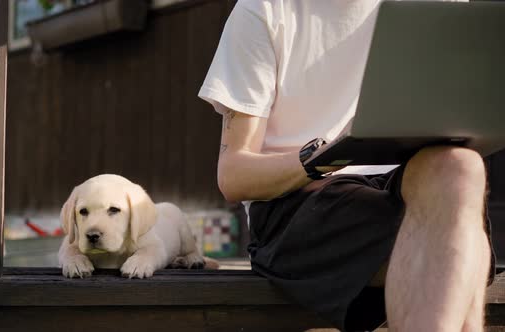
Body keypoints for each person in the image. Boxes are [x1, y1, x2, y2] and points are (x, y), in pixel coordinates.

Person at [198, 1, 496, 331]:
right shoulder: (265, 9)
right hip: (299, 202)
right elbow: (233, 175)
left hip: (408, 188)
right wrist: (317, 160)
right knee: (462, 248)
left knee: (462, 168)